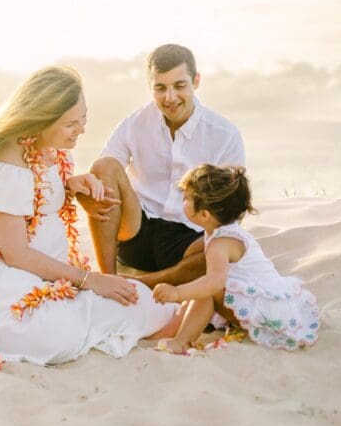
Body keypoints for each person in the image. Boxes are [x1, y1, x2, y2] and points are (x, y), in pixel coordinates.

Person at [0, 66, 175, 368]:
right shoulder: (7, 162)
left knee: (144, 303)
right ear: (42, 120)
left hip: (45, 269)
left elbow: (38, 194)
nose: (81, 129)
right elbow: (15, 251)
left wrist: (71, 186)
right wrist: (89, 279)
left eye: (84, 118)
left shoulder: (53, 147)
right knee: (58, 332)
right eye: (70, 124)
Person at [78, 44, 245, 288]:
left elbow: (232, 211)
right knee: (104, 166)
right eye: (160, 88)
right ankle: (108, 281)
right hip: (136, 230)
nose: (170, 98)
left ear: (196, 81)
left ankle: (145, 284)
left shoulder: (225, 135)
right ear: (151, 87)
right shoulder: (135, 123)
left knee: (227, 247)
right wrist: (86, 192)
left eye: (179, 86)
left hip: (188, 240)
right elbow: (103, 174)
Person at [151, 164, 320, 354]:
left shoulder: (220, 243)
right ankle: (176, 326)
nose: (183, 199)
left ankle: (182, 342)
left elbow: (214, 283)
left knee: (205, 291)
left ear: (204, 214)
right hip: (269, 298)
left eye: (187, 198)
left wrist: (176, 292)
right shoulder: (228, 232)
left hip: (262, 309)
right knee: (201, 287)